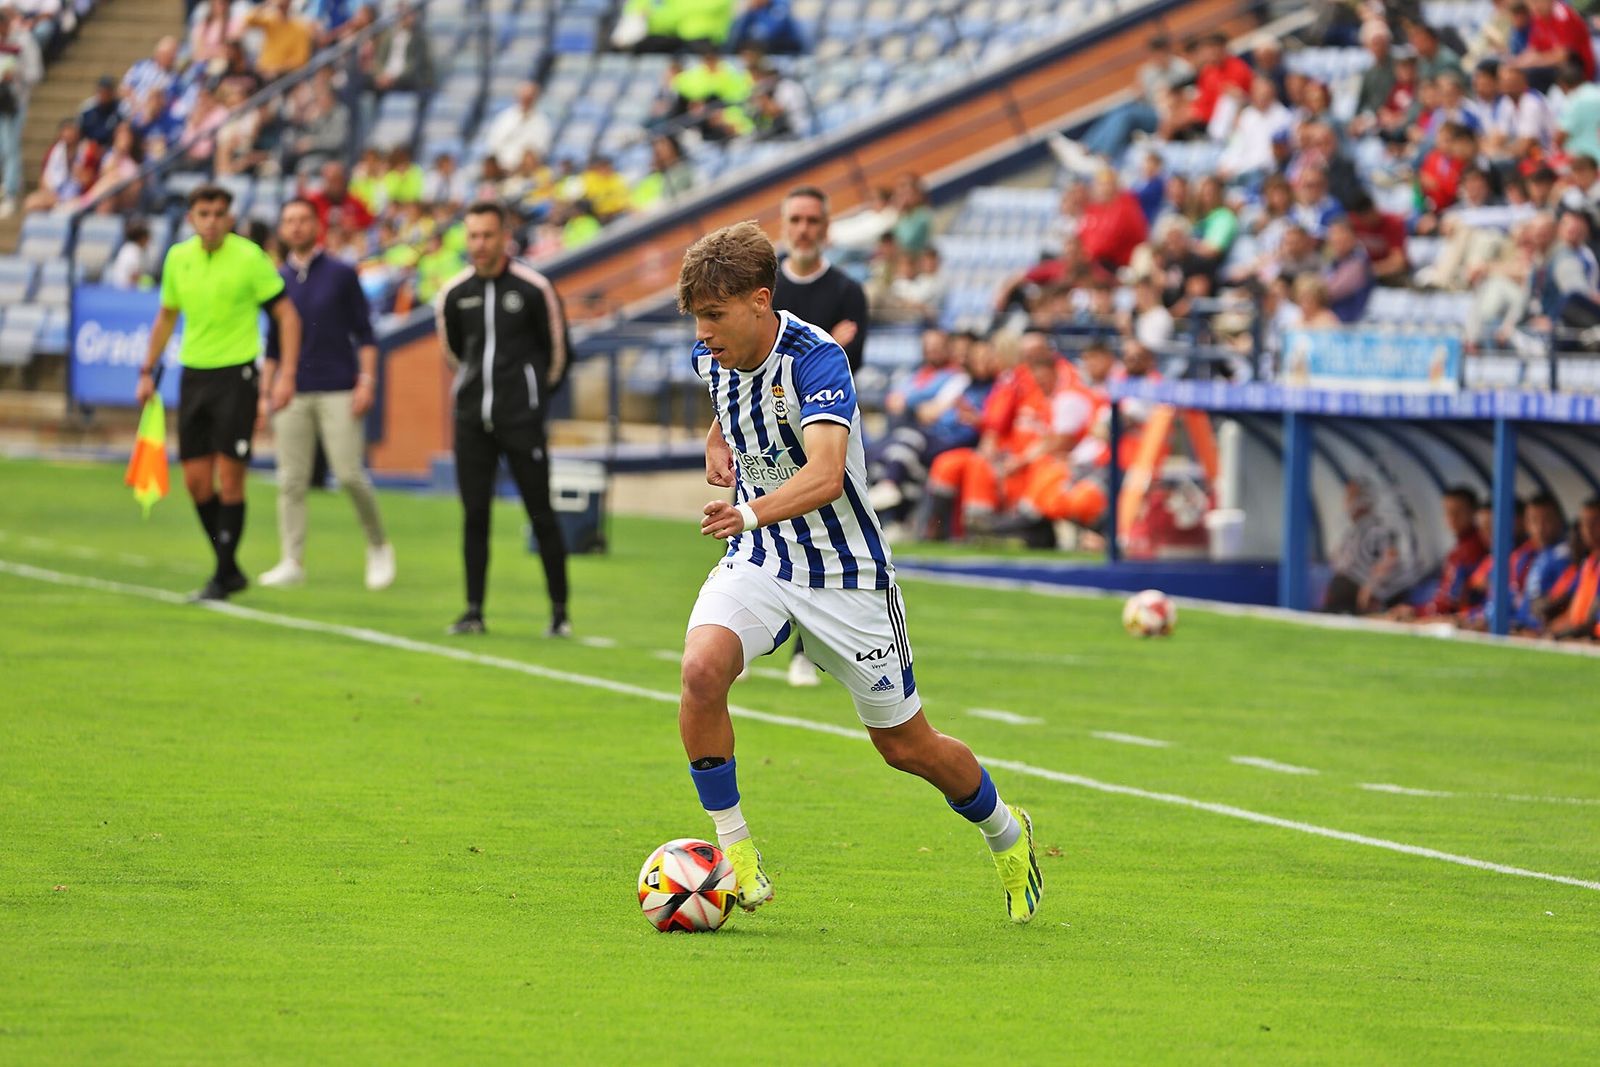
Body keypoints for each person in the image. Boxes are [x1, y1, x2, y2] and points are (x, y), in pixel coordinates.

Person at [674, 220, 1042, 923]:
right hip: (763, 560)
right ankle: (737, 856)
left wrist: (748, 511)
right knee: (700, 670)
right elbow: (727, 406)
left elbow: (826, 474)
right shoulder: (711, 354)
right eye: (697, 319)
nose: (705, 332)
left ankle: (1006, 830)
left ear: (759, 300)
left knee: (907, 746)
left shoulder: (817, 359)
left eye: (715, 316)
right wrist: (717, 442)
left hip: (846, 575)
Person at [134, 185, 303, 601]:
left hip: (237, 375)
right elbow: (166, 316)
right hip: (194, 374)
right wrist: (146, 370)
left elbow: (287, 315)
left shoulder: (250, 258)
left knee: (230, 478)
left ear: (230, 217)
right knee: (195, 481)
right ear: (191, 217)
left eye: (219, 213)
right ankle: (229, 571)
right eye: (203, 213)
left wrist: (286, 374)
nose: (211, 221)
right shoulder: (178, 258)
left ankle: (222, 574)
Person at [434, 201, 573, 638]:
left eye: (487, 235)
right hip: (472, 420)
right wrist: (476, 394)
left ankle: (559, 612)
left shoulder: (533, 288)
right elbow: (455, 353)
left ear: (504, 237)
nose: (479, 244)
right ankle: (473, 610)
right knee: (474, 515)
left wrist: (530, 399)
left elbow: (558, 354)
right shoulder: (454, 294)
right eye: (472, 236)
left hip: (521, 420)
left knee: (540, 513)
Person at [258, 199, 396, 592]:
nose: (296, 227)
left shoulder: (341, 274)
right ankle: (292, 560)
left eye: (303, 220)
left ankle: (378, 545)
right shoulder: (277, 279)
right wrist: (264, 392)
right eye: (288, 221)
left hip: (338, 386)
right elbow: (272, 344)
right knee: (291, 480)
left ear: (317, 225)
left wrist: (367, 381)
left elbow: (366, 335)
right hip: (292, 390)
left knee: (350, 474)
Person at [769, 185, 869, 685]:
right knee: (756, 523)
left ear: (826, 229)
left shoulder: (848, 290)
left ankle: (805, 651)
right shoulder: (765, 288)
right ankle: (751, 638)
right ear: (783, 225)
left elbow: (847, 364)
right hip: (763, 423)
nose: (804, 229)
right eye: (796, 219)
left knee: (818, 534)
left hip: (822, 425)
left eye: (813, 220)